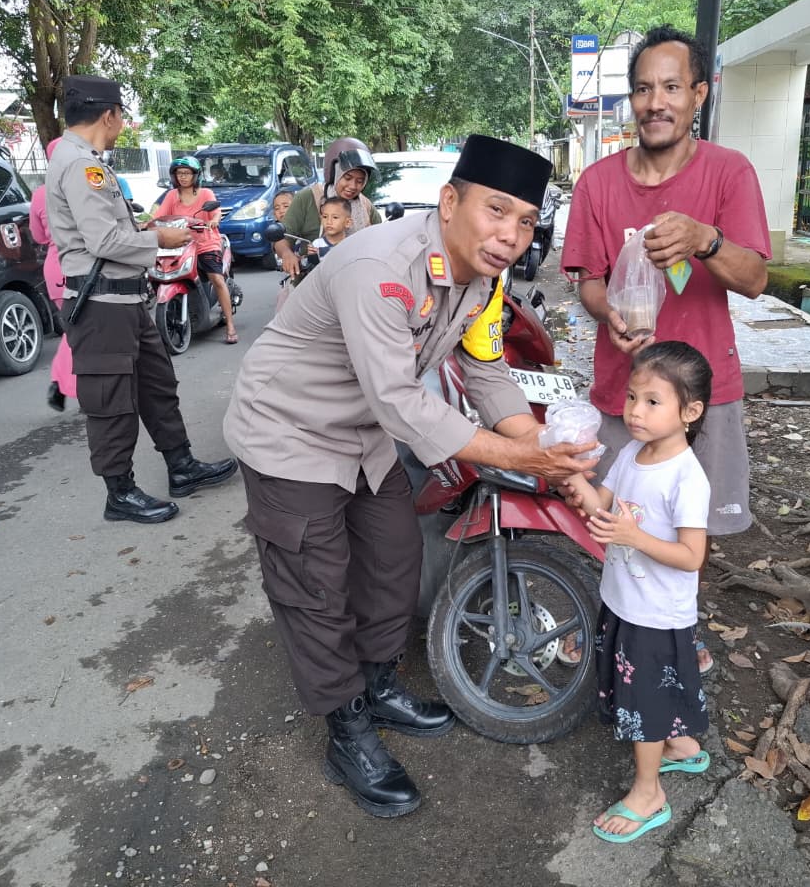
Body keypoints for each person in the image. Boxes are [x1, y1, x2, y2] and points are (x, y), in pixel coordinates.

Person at [224, 134, 599, 820]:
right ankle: (346, 730)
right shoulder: (382, 267)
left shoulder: (483, 279)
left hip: (362, 433)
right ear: (450, 202)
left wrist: (545, 447)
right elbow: (400, 400)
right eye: (496, 211)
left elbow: (485, 370)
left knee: (394, 560)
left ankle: (376, 684)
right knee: (317, 588)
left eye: (525, 221)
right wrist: (522, 458)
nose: (511, 236)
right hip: (290, 433)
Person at [561, 25, 771, 673]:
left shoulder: (729, 173)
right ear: (632, 99)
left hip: (703, 397)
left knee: (689, 525)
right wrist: (610, 314)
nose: (657, 102)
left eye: (672, 87)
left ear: (698, 95)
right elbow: (588, 280)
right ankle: (606, 625)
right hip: (623, 391)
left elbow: (755, 279)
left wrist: (706, 240)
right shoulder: (597, 183)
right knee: (610, 514)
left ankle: (680, 631)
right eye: (645, 89)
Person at [46, 74, 238, 524]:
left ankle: (181, 466)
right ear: (109, 115)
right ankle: (120, 493)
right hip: (102, 305)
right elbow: (104, 241)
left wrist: (146, 229)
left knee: (157, 386)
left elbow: (109, 229)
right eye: (121, 116)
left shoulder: (87, 161)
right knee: (112, 401)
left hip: (127, 301)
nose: (121, 124)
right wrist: (159, 239)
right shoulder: (81, 165)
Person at [563, 341, 713, 844]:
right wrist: (573, 477)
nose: (634, 411)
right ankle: (681, 746)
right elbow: (602, 508)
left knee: (644, 701)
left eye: (652, 401)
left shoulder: (687, 478)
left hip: (656, 614)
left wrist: (635, 537)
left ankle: (648, 794)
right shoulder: (631, 453)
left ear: (690, 412)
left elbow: (692, 556)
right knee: (654, 689)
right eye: (631, 397)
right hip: (624, 600)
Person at [153, 155, 239, 344]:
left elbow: (216, 212)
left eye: (187, 173)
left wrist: (213, 220)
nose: (183, 176)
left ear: (195, 175)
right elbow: (159, 216)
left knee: (217, 279)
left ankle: (230, 325)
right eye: (179, 173)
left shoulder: (205, 193)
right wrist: (147, 224)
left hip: (205, 243)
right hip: (180, 244)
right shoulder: (171, 196)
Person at [273, 137, 381, 278]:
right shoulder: (308, 198)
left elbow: (381, 240)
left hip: (357, 279)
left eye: (360, 181)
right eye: (347, 178)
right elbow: (282, 237)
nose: (353, 186)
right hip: (312, 279)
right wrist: (287, 254)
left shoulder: (365, 206)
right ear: (334, 173)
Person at [30, 138, 76, 412]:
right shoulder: (83, 187)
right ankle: (63, 382)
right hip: (81, 265)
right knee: (83, 329)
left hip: (55, 268)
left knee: (75, 328)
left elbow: (37, 236)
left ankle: (66, 382)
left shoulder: (40, 194)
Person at [295, 195, 351, 280]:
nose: (329, 222)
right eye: (325, 217)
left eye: (335, 217)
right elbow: (311, 269)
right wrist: (311, 257)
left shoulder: (351, 244)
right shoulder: (317, 244)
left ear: (347, 222)